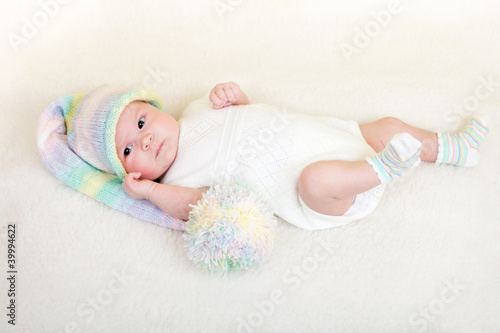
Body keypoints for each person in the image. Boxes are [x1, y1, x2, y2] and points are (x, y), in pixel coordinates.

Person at [38, 83, 490, 231]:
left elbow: (255, 119)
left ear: (152, 107)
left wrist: (238, 98)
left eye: (140, 124)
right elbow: (195, 209)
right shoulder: (175, 180)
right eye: (129, 150)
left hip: (333, 139)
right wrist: (153, 193)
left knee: (385, 126)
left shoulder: (197, 109)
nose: (146, 141)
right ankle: (381, 170)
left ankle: (454, 147)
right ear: (129, 173)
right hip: (320, 192)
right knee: (316, 180)